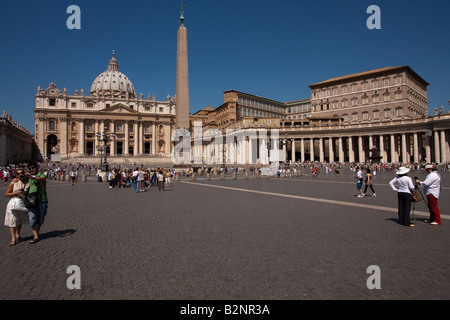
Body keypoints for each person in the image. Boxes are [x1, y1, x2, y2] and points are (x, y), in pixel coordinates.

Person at [4, 169, 28, 246]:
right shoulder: (13, 182)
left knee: (20, 220)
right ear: (16, 174)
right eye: (18, 173)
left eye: (22, 173)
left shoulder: (26, 182)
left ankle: (17, 234)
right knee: (12, 220)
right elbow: (7, 194)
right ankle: (13, 238)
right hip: (14, 203)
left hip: (22, 203)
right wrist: (16, 193)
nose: (20, 174)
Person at [26, 161, 48, 243]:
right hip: (31, 200)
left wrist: (32, 177)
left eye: (33, 168)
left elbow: (42, 179)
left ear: (37, 168)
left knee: (41, 218)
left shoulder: (41, 175)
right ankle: (36, 235)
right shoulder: (28, 178)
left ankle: (37, 232)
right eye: (30, 168)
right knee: (32, 218)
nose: (31, 169)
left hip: (42, 199)